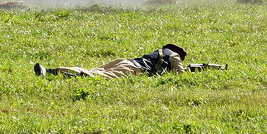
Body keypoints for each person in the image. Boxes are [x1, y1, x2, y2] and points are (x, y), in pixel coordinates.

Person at [34, 44, 187, 78]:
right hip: (134, 68)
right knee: (99, 77)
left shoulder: (160, 52)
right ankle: (69, 76)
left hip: (123, 61)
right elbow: (179, 74)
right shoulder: (173, 56)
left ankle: (50, 71)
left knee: (94, 70)